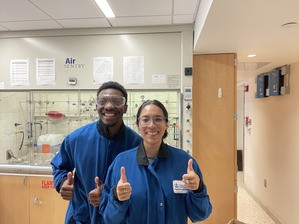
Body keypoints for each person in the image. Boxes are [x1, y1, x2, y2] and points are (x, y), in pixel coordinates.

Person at [100, 99, 212, 224]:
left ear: (166, 124)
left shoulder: (184, 162)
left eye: (158, 119)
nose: (152, 125)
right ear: (138, 125)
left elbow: (200, 215)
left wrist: (198, 189)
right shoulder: (122, 163)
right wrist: (117, 198)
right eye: (145, 119)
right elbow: (109, 219)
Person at [51, 81, 142, 224]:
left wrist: (109, 195)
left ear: (125, 108)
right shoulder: (76, 139)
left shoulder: (136, 144)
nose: (109, 106)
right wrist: (62, 182)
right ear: (96, 107)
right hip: (81, 217)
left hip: (121, 218)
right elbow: (59, 166)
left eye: (117, 101)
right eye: (103, 101)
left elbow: (142, 183)